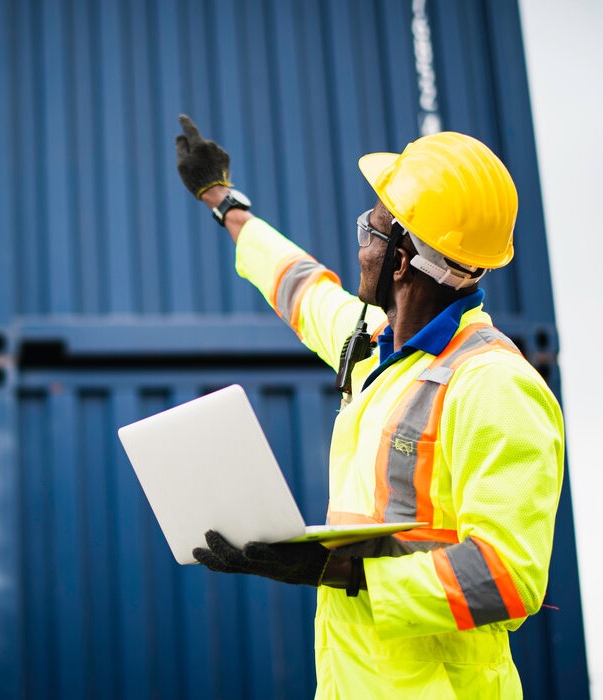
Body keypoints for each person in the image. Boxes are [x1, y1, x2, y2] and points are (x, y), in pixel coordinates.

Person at [175, 114, 564, 699]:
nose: (361, 245)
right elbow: (301, 287)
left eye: (371, 229)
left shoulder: (493, 384)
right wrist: (224, 201)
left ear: (402, 257)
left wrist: (334, 568)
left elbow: (509, 577)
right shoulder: (376, 347)